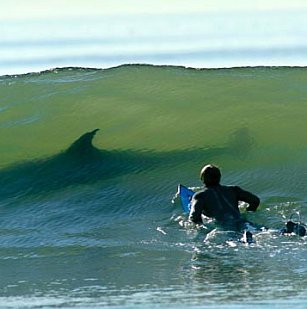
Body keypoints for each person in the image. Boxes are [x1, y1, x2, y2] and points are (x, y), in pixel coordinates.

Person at [189, 164, 260, 231]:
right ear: (219, 177)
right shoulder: (233, 189)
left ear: (202, 178)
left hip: (224, 227)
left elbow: (194, 217)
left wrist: (204, 229)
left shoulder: (200, 195)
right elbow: (255, 200)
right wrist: (247, 213)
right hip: (241, 221)